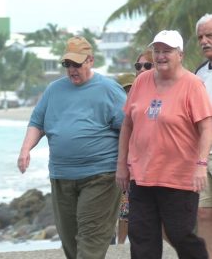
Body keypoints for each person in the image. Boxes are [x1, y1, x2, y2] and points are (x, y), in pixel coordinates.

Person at [17, 36, 126, 259]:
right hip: (61, 176)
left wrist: (126, 165)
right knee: (70, 242)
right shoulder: (54, 90)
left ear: (90, 61)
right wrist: (25, 150)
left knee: (90, 241)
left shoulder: (109, 89)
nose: (72, 70)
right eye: (68, 64)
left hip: (100, 176)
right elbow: (37, 122)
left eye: (77, 64)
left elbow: (128, 128)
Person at [116, 30, 212, 259]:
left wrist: (201, 164)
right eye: (157, 51)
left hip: (179, 177)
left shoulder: (193, 84)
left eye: (166, 51)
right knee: (141, 238)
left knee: (180, 235)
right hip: (142, 175)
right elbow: (127, 125)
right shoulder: (141, 82)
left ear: (180, 54)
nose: (160, 56)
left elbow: (207, 127)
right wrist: (121, 164)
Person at [195, 13, 212, 258]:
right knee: (203, 212)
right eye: (200, 37)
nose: (204, 41)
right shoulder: (199, 73)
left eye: (209, 35)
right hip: (203, 154)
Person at [115, 72, 135, 245]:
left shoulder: (136, 107)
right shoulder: (117, 109)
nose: (128, 93)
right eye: (125, 90)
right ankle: (119, 244)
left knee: (125, 209)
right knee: (123, 210)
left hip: (134, 166)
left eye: (130, 89)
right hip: (118, 166)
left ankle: (121, 243)